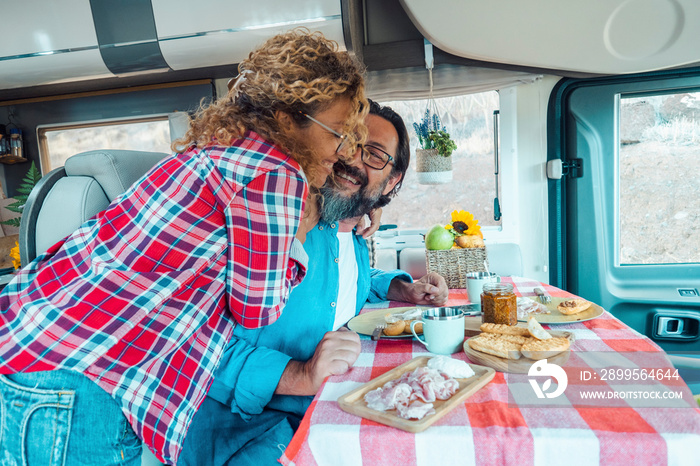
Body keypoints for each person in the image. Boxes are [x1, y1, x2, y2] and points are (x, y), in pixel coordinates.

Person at [0, 30, 367, 465]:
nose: (342, 151)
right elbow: (258, 310)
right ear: (288, 118)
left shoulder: (216, 150)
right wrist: (301, 234)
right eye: (337, 134)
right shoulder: (277, 173)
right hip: (83, 379)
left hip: (34, 348)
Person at [179, 100, 449, 465]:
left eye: (373, 154)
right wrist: (299, 376)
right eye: (350, 141)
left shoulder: (351, 236)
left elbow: (351, 283)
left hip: (322, 415)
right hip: (244, 432)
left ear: (393, 179)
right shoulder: (277, 222)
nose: (353, 158)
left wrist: (402, 288)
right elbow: (190, 347)